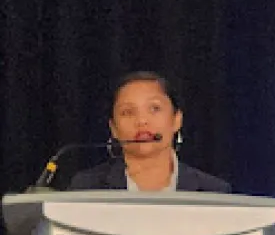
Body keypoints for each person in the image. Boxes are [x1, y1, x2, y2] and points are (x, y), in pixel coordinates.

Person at [68, 71, 231, 193]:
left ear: (177, 120)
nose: (141, 121)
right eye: (127, 112)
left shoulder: (212, 191)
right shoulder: (87, 188)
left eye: (154, 109)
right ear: (113, 128)